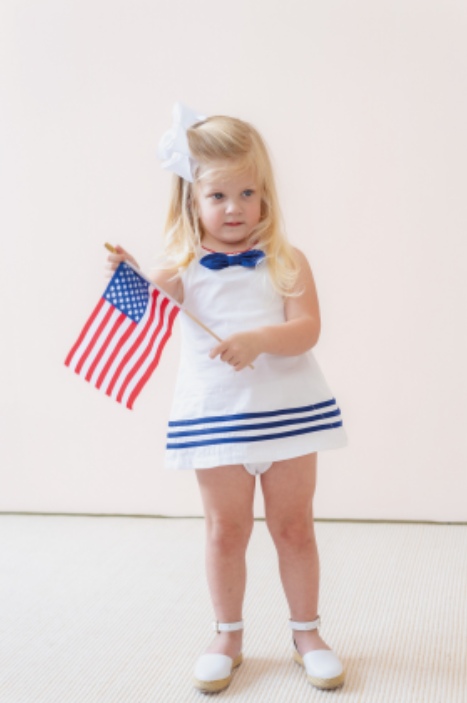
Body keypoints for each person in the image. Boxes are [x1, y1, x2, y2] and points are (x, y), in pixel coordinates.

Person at [106, 103, 348, 693]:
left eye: (247, 193)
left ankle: (307, 632)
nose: (234, 207)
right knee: (225, 531)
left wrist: (259, 339)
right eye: (218, 195)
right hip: (216, 422)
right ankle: (228, 635)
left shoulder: (287, 261)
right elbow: (136, 308)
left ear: (265, 195)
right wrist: (130, 271)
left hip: (289, 418)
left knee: (295, 528)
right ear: (191, 199)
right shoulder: (183, 268)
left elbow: (307, 329)